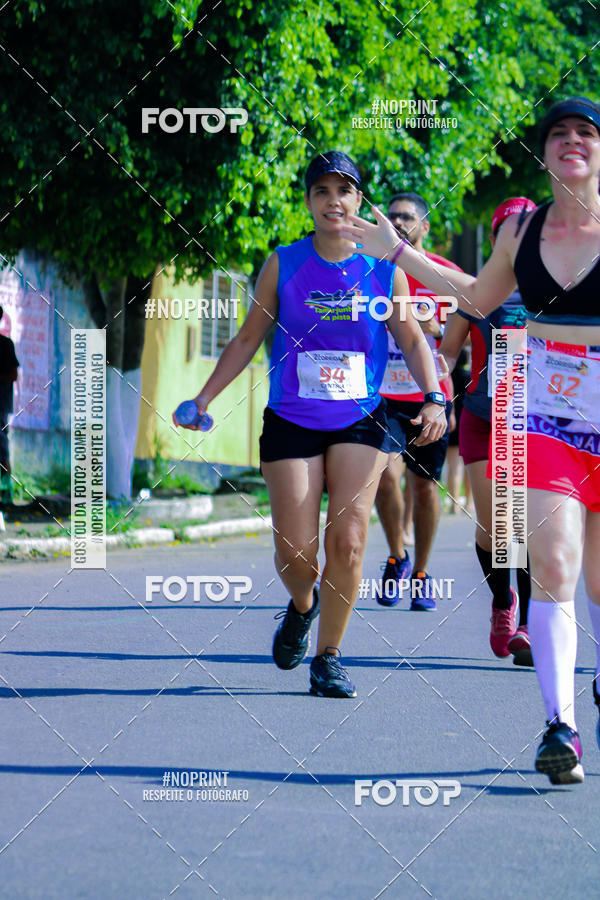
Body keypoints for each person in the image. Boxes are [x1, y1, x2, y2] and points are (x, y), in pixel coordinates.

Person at [342, 97, 600, 783]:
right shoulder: (521, 231)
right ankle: (560, 727)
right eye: (558, 134)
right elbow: (472, 296)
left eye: (586, 132)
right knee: (554, 562)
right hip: (546, 424)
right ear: (543, 155)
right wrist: (397, 252)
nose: (572, 141)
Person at [175, 151, 446, 698]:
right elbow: (250, 337)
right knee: (296, 554)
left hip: (360, 419)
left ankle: (328, 658)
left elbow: (413, 339)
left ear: (359, 201)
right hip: (292, 420)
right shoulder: (285, 262)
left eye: (343, 191)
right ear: (308, 201)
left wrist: (435, 396)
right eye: (321, 191)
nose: (333, 201)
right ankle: (302, 605)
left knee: (348, 542)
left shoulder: (383, 269)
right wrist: (203, 398)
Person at [440, 198, 535, 666]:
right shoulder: (475, 293)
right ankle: (503, 601)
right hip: (481, 417)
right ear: (495, 238)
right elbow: (447, 353)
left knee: (529, 525)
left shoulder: (554, 291)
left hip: (534, 422)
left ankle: (528, 625)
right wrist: (434, 393)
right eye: (507, 231)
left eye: (526, 229)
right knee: (498, 525)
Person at [376, 192, 461, 610]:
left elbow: (472, 327)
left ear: (425, 225)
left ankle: (423, 573)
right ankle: (397, 556)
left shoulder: (446, 276)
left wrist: (436, 328)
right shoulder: (373, 268)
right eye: (392, 217)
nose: (399, 222)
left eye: (407, 217)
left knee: (425, 488)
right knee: (382, 477)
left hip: (429, 397)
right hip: (381, 393)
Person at [0, 306, 19, 504]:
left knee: (2, 450)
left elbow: (13, 374)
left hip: (0, 406)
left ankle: (6, 495)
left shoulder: (5, 345)